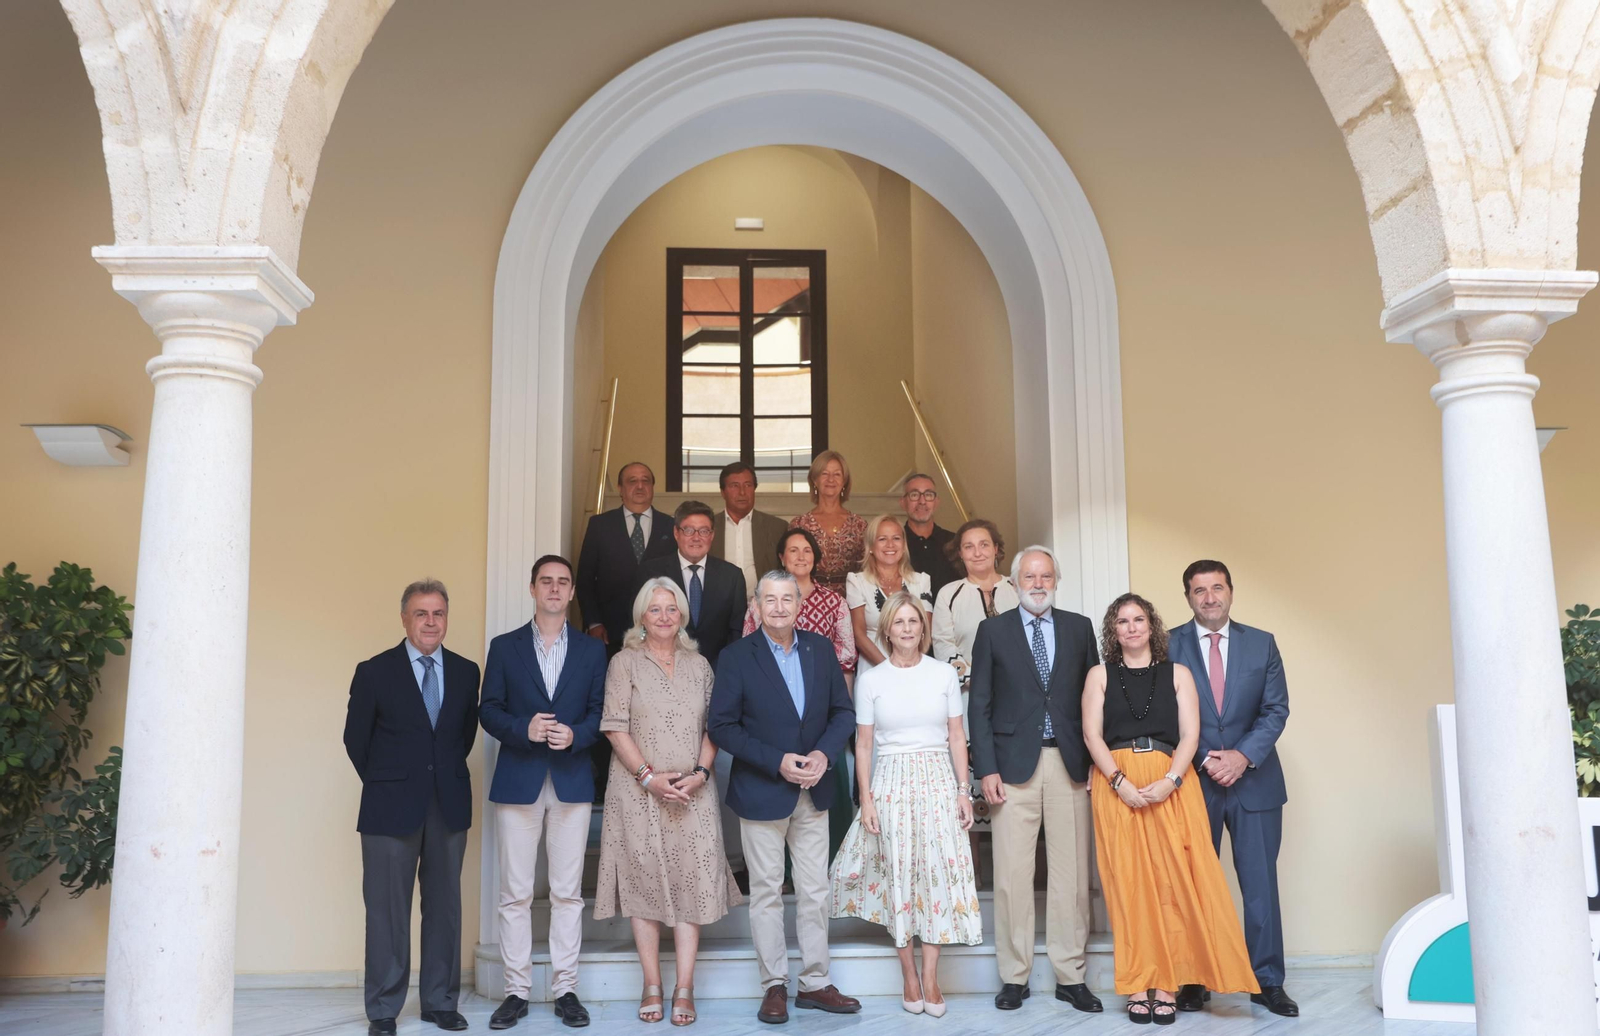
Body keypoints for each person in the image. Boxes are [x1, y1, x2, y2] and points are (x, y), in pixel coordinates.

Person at [1082, 593, 1258, 1024]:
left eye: (1138, 619)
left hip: (1172, 785)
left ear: (1151, 626)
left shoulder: (1177, 674)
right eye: (1122, 621)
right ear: (1113, 631)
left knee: (1172, 887)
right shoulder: (1098, 676)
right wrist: (1119, 782)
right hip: (1116, 784)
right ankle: (1137, 985)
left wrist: (1171, 780)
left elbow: (1191, 735)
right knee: (1129, 889)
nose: (1131, 627)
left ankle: (1167, 985)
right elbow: (1091, 735)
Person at [708, 570, 861, 1024]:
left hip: (814, 792)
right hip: (761, 791)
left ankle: (815, 983)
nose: (778, 607)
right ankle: (773, 985)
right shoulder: (736, 656)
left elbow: (843, 713)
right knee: (768, 893)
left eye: (787, 599)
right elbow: (722, 726)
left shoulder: (819, 650)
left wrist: (822, 754)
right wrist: (776, 760)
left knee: (815, 890)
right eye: (770, 600)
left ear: (799, 604)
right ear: (756, 606)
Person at [595, 578, 741, 1027]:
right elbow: (615, 726)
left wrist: (699, 773)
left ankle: (685, 986)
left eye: (671, 608)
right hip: (637, 790)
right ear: (641, 616)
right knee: (643, 884)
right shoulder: (624, 663)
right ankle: (652, 984)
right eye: (655, 609)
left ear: (683, 615)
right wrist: (648, 777)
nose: (664, 616)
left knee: (692, 882)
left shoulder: (700, 666)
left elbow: (716, 726)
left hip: (693, 791)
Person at [830, 592, 981, 1018]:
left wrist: (961, 790)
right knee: (899, 876)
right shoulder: (872, 680)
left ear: (923, 627)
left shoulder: (942, 675)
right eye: (900, 622)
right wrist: (867, 799)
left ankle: (930, 977)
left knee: (933, 877)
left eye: (914, 621)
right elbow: (862, 744)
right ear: (887, 630)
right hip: (891, 782)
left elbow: (956, 736)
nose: (908, 629)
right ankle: (908, 976)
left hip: (937, 781)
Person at [967, 546, 1103, 1015]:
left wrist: (1097, 763)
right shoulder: (992, 631)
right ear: (1015, 581)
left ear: (1056, 581)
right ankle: (1014, 976)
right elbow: (978, 704)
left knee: (1072, 877)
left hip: (1070, 766)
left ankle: (1071, 975)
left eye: (1046, 575)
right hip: (1010, 769)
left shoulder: (1080, 628)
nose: (1038, 583)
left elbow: (1095, 700)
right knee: (1011, 877)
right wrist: (985, 767)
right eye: (1030, 575)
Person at [343, 580, 480, 1036]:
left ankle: (440, 1002)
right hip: (389, 808)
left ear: (446, 618)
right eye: (421, 613)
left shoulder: (465, 671)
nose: (430, 622)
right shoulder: (374, 671)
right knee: (386, 910)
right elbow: (355, 740)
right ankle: (383, 1009)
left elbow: (462, 737)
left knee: (444, 907)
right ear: (404, 618)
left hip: (448, 804)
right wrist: (391, 782)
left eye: (438, 613)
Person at [478, 556, 607, 1030]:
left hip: (571, 781)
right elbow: (488, 710)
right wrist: (522, 728)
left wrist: (576, 735)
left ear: (572, 592)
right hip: (519, 779)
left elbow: (600, 715)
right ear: (532, 588)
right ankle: (516, 991)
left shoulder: (593, 653)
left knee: (567, 894)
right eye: (546, 582)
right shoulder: (505, 647)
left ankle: (565, 989)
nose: (554, 589)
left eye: (563, 583)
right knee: (514, 893)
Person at [1166, 561, 1297, 1018]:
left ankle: (1267, 982)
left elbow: (1275, 710)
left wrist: (1241, 757)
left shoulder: (1262, 643)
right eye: (1198, 590)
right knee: (1194, 884)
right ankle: (1193, 981)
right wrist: (1204, 757)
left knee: (1259, 886)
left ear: (1230, 592)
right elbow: (1166, 712)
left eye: (1216, 587)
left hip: (1255, 782)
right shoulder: (1168, 644)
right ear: (1188, 597)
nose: (1209, 597)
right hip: (1193, 784)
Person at [576, 461, 675, 654]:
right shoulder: (600, 525)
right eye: (632, 481)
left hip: (660, 630)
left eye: (645, 481)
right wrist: (593, 622)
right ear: (620, 489)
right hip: (609, 631)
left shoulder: (670, 525)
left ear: (652, 487)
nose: (639, 486)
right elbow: (585, 579)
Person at [636, 500, 747, 669]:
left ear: (712, 535)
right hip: (661, 669)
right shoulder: (651, 571)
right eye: (688, 530)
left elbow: (737, 631)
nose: (696, 537)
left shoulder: (732, 576)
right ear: (676, 533)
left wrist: (719, 668)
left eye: (703, 531)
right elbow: (639, 623)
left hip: (719, 671)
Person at [931, 518, 1018, 728]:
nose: (977, 553)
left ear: (996, 549)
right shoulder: (948, 594)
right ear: (960, 553)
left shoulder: (1018, 588)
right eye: (969, 547)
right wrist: (977, 681)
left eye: (984, 545)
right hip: (969, 697)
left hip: (1018, 694)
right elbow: (943, 644)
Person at [741, 526, 856, 674]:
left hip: (821, 686)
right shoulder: (761, 600)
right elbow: (748, 650)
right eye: (793, 550)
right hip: (770, 680)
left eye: (807, 551)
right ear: (782, 558)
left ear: (814, 558)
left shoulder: (835, 602)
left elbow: (846, 662)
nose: (801, 557)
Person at [846, 514, 932, 677]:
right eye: (882, 539)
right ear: (870, 545)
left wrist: (908, 665)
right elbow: (858, 634)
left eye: (896, 538)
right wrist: (889, 668)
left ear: (904, 544)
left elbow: (925, 630)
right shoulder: (857, 581)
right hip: (873, 667)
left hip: (914, 668)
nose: (890, 545)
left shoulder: (921, 581)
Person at [790, 450, 866, 594]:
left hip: (851, 601)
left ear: (844, 481)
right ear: (814, 480)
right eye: (824, 473)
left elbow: (868, 569)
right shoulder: (799, 524)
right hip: (808, 601)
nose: (831, 479)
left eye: (837, 474)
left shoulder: (859, 525)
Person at [711, 460, 789, 599]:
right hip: (720, 605)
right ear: (723, 492)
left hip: (764, 605)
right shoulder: (709, 527)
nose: (742, 492)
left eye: (748, 485)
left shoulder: (777, 527)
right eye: (734, 486)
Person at [901, 473, 959, 597]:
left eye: (928, 495)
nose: (922, 501)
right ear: (903, 502)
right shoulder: (894, 545)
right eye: (914, 495)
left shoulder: (955, 542)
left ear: (936, 502)